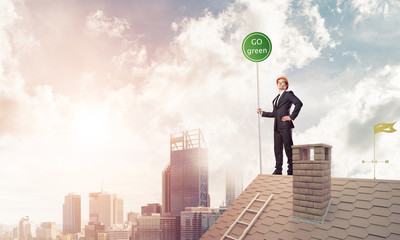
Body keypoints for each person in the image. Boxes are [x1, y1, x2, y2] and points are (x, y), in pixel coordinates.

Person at [257, 76, 303, 175]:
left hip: (285, 126)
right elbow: (275, 113)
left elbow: (299, 103)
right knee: (277, 149)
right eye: (279, 82)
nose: (281, 83)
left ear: (286, 85)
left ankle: (291, 170)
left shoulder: (288, 94)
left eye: (283, 82)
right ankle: (278, 170)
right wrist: (262, 113)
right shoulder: (276, 99)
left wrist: (291, 117)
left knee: (288, 148)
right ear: (277, 84)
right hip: (277, 127)